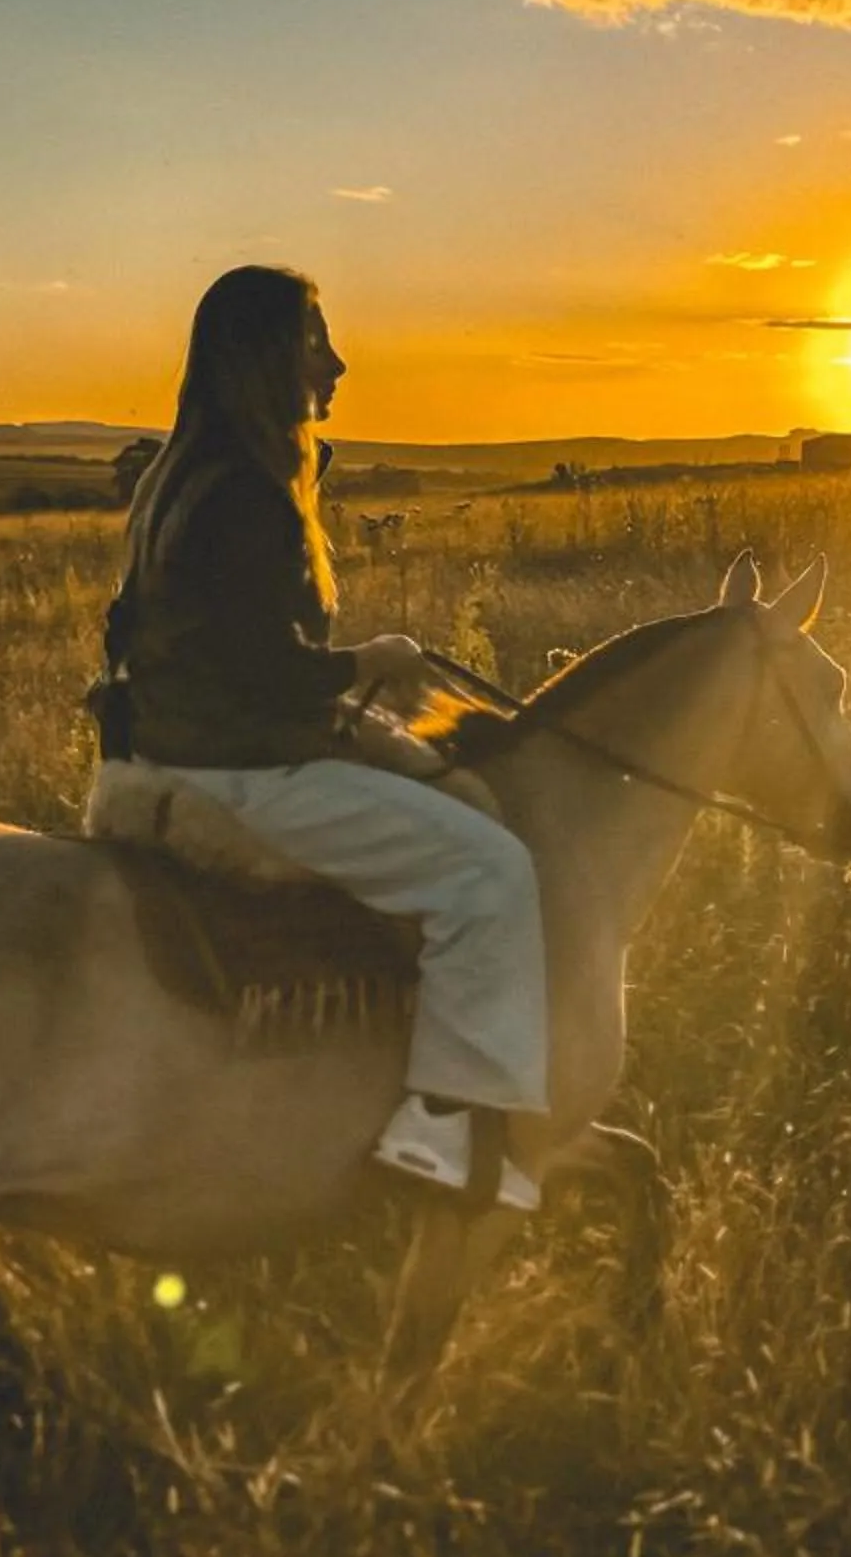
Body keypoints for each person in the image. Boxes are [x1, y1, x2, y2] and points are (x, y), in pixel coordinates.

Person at [92, 264, 549, 1209]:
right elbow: (262, 666)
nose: (335, 363)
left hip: (178, 749)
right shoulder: (248, 497)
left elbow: (150, 635)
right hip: (242, 769)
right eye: (313, 344)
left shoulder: (177, 481)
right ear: (267, 360)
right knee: (491, 871)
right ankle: (445, 1123)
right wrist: (366, 662)